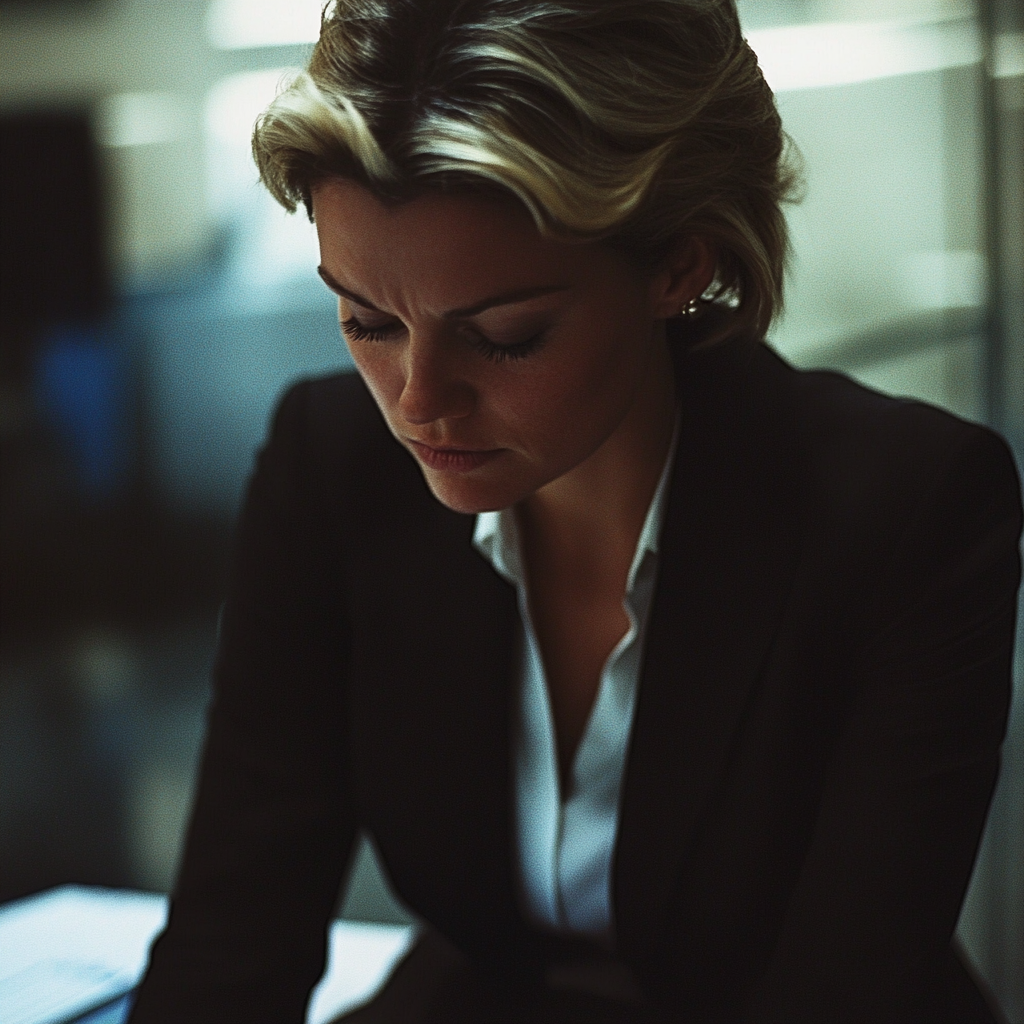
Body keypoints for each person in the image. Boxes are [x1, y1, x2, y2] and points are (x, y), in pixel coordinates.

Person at [128, 0, 1023, 1021]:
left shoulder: (905, 508)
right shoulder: (329, 463)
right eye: (367, 320)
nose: (419, 401)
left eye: (505, 335)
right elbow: (234, 933)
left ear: (677, 265)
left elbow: (844, 985)